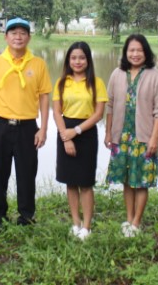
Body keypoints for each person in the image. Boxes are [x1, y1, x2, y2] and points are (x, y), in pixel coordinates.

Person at [0, 17, 52, 229]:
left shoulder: (38, 64)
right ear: (6, 37)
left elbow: (44, 97)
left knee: (27, 173)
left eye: (22, 33)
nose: (18, 37)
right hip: (0, 126)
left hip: (28, 126)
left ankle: (26, 216)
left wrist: (43, 129)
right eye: (13, 33)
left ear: (29, 37)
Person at [105, 34, 158, 237]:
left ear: (146, 52)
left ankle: (136, 222)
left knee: (140, 181)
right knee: (126, 179)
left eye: (139, 50)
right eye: (131, 50)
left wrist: (154, 137)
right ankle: (128, 218)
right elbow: (109, 105)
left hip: (143, 137)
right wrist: (108, 132)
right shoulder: (117, 74)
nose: (135, 54)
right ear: (125, 53)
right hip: (121, 137)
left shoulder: (156, 76)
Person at [53, 41, 108, 240]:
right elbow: (57, 112)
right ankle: (75, 222)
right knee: (70, 181)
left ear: (88, 60)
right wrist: (65, 137)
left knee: (85, 183)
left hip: (86, 132)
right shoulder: (61, 83)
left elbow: (98, 114)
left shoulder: (96, 83)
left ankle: (87, 226)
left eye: (82, 58)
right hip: (65, 130)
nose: (78, 61)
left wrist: (75, 131)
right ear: (68, 60)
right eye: (74, 58)